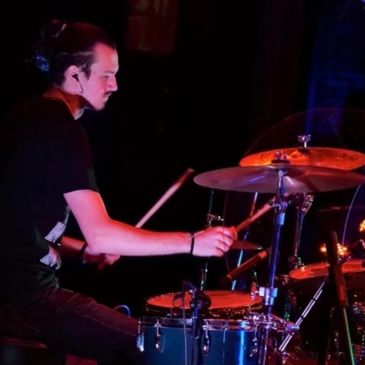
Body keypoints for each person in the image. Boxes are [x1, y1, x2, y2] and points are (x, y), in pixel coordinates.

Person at [0, 19, 237, 364]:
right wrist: (193, 242)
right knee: (155, 347)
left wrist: (81, 252)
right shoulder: (63, 130)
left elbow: (17, 226)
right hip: (23, 297)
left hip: (11, 289)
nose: (114, 85)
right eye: (105, 75)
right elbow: (102, 235)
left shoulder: (21, 117)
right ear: (73, 75)